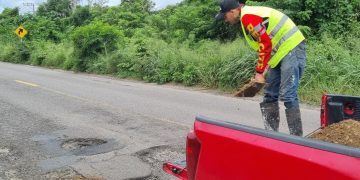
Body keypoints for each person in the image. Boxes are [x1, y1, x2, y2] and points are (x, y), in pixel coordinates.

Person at [216, 0, 306, 136]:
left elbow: (265, 43)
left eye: (225, 16)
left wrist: (259, 72)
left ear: (233, 11)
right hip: (279, 53)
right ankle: (271, 136)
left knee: (288, 95)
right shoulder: (246, 16)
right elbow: (267, 42)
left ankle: (297, 138)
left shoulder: (248, 17)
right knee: (270, 95)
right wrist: (264, 67)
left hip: (291, 47)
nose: (225, 20)